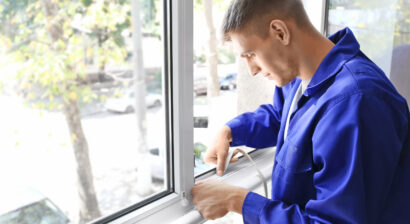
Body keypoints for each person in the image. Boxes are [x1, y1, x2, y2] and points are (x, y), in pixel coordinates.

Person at [191, 0, 410, 223]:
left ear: (280, 32)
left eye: (251, 54)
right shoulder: (303, 76)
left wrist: (238, 201)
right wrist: (230, 131)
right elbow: (283, 118)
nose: (252, 70)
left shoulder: (356, 102)